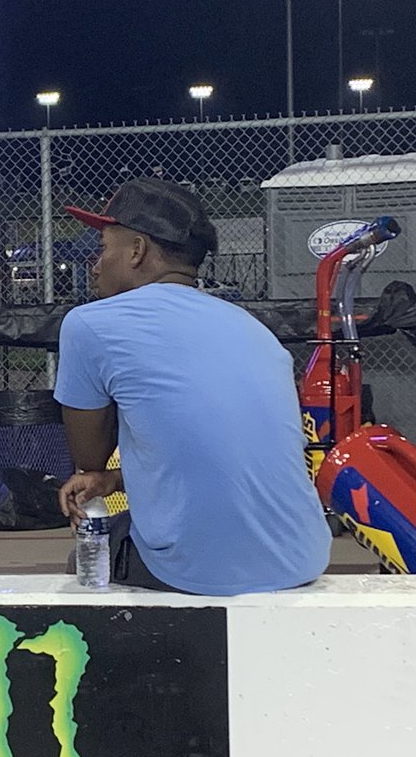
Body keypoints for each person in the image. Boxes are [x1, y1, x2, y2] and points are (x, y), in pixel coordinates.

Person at [55, 178, 330, 595]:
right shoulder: (253, 330)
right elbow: (217, 452)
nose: (95, 264)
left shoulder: (90, 324)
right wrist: (114, 481)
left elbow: (89, 457)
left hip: (195, 572)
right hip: (303, 555)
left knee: (86, 556)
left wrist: (101, 472)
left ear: (136, 251)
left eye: (105, 248)